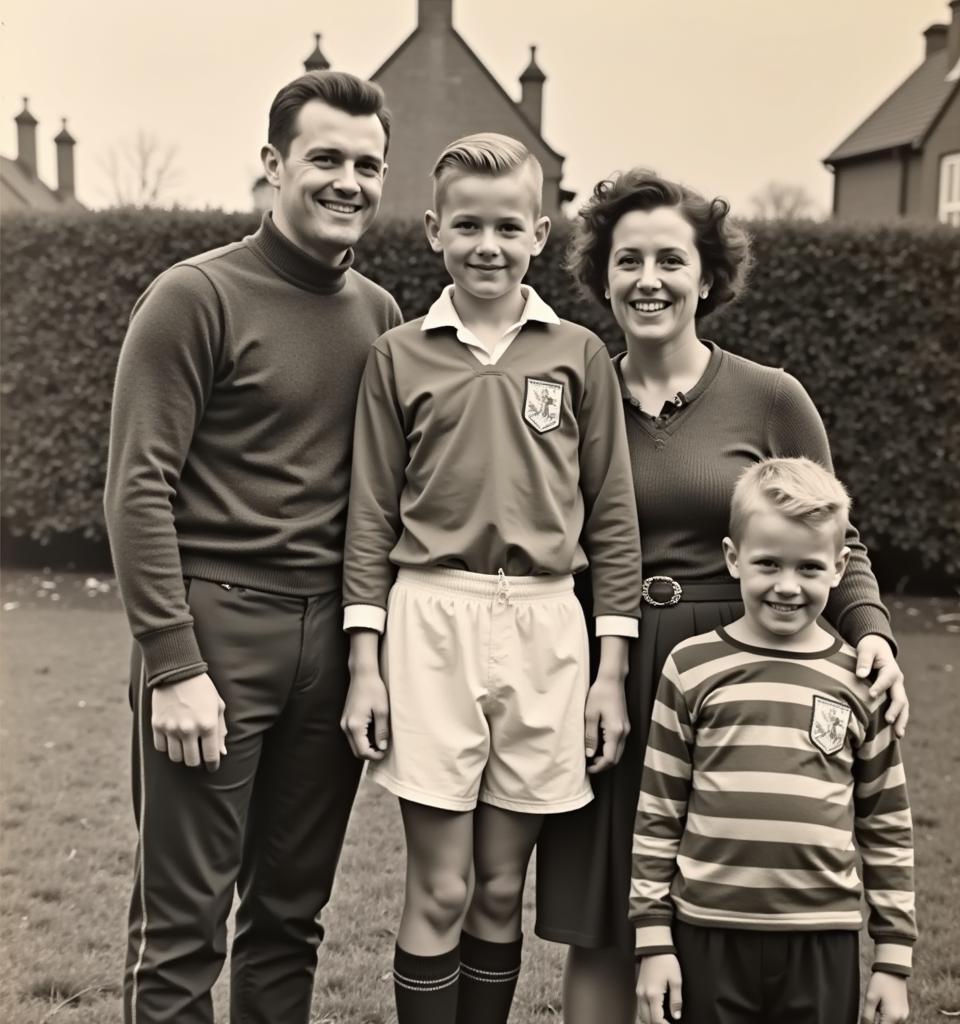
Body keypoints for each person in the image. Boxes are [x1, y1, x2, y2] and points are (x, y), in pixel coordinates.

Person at [534, 170, 911, 1023]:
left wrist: (873, 633)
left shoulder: (769, 396)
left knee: (713, 913)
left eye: (672, 258)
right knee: (604, 918)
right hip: (606, 668)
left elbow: (833, 535)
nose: (649, 279)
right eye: (627, 259)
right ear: (602, 276)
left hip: (739, 668)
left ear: (707, 276)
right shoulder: (574, 391)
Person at [104, 70, 401, 1024]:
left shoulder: (383, 318)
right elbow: (136, 487)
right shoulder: (193, 297)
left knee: (289, 919)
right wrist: (175, 664)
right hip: (217, 631)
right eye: (325, 158)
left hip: (334, 648)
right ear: (273, 165)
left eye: (367, 163)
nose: (347, 180)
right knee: (183, 924)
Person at [339, 133, 642, 1024]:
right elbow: (370, 516)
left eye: (508, 226)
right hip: (432, 620)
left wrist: (611, 673)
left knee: (501, 889)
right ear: (434, 230)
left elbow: (613, 518)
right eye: (466, 225)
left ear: (540, 233)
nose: (487, 245)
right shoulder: (399, 354)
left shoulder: (578, 353)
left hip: (549, 627)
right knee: (441, 888)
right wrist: (366, 662)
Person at [631, 456, 915, 1024]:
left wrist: (893, 958)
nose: (787, 586)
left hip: (822, 939)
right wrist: (654, 940)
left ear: (839, 568)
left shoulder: (861, 679)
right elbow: (658, 812)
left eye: (809, 568)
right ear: (733, 559)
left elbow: (887, 823)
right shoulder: (690, 667)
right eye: (767, 564)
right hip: (706, 933)